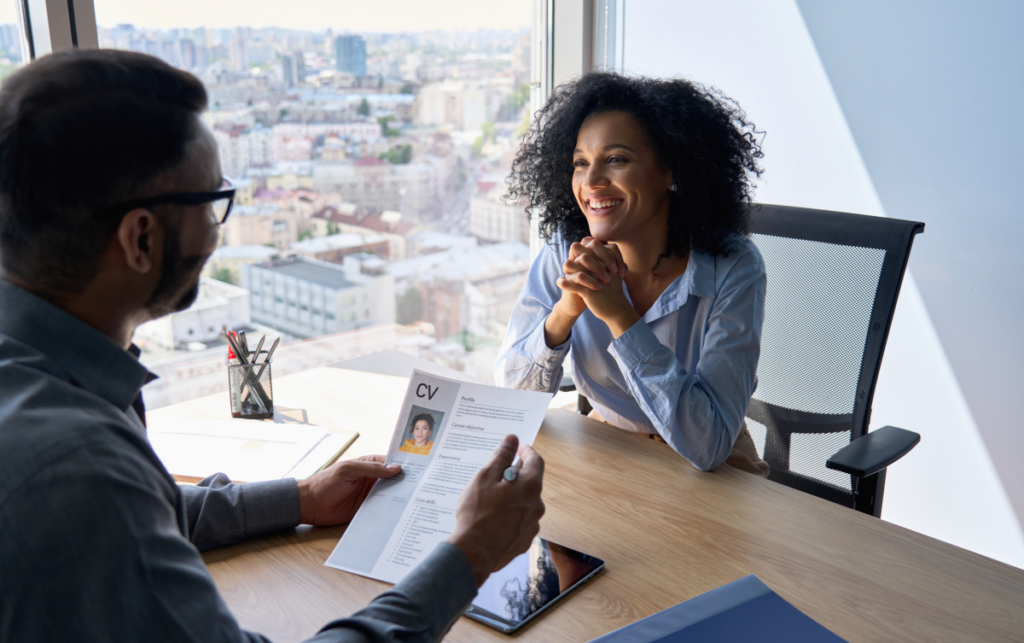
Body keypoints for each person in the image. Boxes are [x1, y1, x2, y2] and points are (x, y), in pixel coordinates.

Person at [0, 50, 545, 642]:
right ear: (140, 238)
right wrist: (470, 555)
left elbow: (131, 519)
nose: (217, 232)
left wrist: (302, 498)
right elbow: (103, 507)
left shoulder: (39, 382)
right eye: (212, 204)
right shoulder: (73, 466)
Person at [496, 72, 769, 476]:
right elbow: (511, 397)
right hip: (608, 450)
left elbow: (709, 443)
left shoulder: (733, 267)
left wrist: (619, 316)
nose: (590, 183)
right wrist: (565, 312)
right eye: (580, 163)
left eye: (616, 160)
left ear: (671, 170)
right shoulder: (565, 248)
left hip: (714, 471)